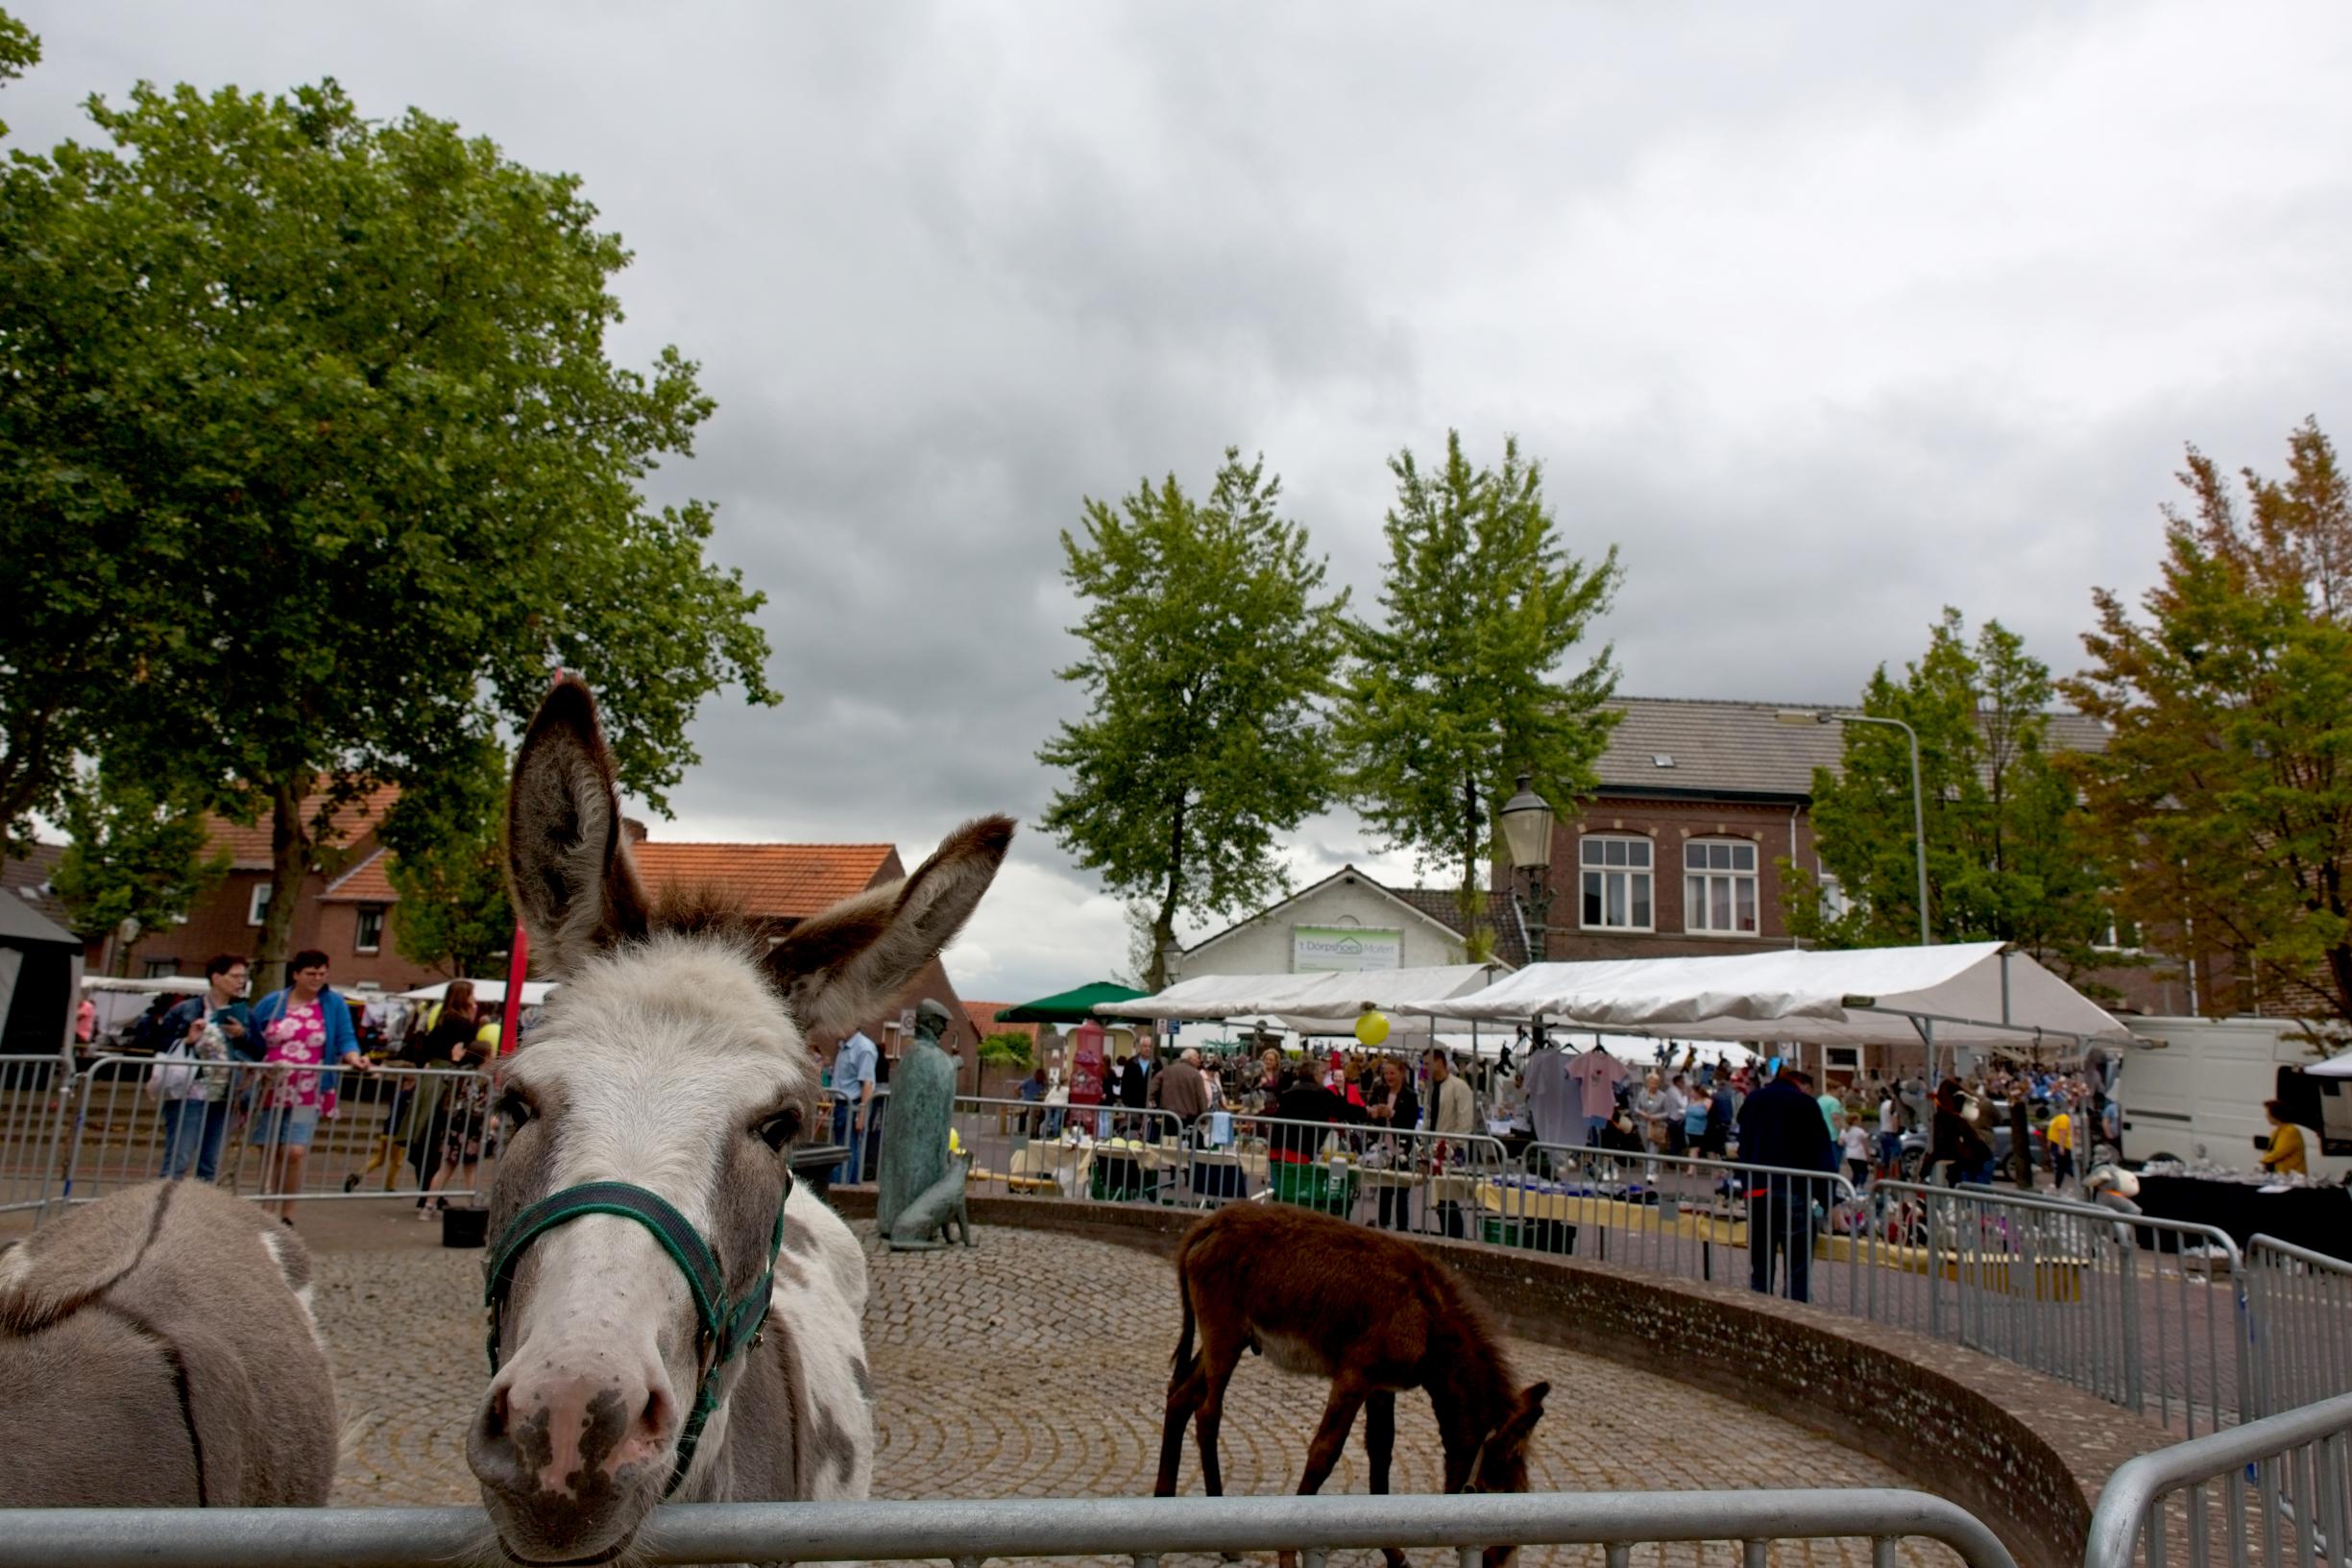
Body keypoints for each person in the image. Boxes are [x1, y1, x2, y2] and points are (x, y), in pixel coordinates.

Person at [246, 951, 370, 1225]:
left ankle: (287, 1212)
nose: (317, 979)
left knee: (295, 1151)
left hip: (308, 1090)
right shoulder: (273, 1001)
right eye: (311, 974)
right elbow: (253, 1036)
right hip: (271, 1089)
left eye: (322, 974)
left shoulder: (333, 1003)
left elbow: (345, 1037)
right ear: (296, 974)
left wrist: (353, 1057)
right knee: (270, 1149)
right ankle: (266, 1209)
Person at [1734, 1062, 1837, 1302]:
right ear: (1803, 1084)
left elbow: (1743, 1142)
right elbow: (1820, 1152)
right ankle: (1794, 1313)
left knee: (1761, 1258)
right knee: (1798, 1263)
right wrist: (1828, 1198)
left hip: (1757, 1188)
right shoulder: (1804, 1103)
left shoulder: (1754, 1099)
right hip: (1793, 1188)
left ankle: (1759, 1309)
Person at [158, 954, 252, 1182]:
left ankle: (201, 1213)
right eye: (235, 976)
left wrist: (243, 1035)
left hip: (226, 1094)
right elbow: (158, 1041)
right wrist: (188, 1040)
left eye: (244, 977)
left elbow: (258, 1048)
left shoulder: (244, 1013)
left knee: (211, 1163)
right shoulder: (186, 1009)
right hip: (190, 1090)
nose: (241, 981)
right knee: (179, 1159)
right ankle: (164, 1209)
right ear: (216, 977)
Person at [831, 1025, 881, 1185]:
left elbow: (867, 1084)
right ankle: (849, 1186)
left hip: (850, 1106)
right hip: (842, 1105)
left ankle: (842, 1188)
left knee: (846, 1151)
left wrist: (861, 1114)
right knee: (848, 1149)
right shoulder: (844, 1047)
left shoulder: (863, 1048)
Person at [1926, 1078, 1995, 1187]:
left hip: (1975, 1157)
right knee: (1979, 1190)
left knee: (1970, 1190)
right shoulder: (1979, 1103)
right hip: (1977, 1156)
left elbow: (1941, 1148)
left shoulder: (1953, 1118)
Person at [1565, 1046, 1627, 1146]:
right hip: (1593, 1106)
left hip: (1600, 1106)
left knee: (1598, 1136)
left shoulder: (1610, 1061)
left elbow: (1568, 1071)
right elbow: (1569, 1069)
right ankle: (1595, 1156)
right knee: (1595, 1135)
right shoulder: (1585, 1059)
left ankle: (1596, 1156)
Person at [1156, 1046, 1210, 1133]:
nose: (1199, 1060)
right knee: (1187, 1143)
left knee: (1170, 1142)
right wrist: (1204, 1117)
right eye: (1197, 1057)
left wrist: (1154, 1104)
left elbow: (1153, 1086)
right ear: (1190, 1058)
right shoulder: (1196, 1074)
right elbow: (1201, 1097)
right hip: (1189, 1116)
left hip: (1169, 1114)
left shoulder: (1167, 1070)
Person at [2259, 1100, 2309, 1176]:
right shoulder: (2276, 1132)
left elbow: (2279, 1152)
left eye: (2268, 1113)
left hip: (2292, 1179)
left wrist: (2263, 1161)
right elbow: (2270, 1151)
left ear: (2276, 1115)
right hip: (2278, 1176)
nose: (2266, 1116)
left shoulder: (2291, 1131)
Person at [2045, 1100, 2075, 1189]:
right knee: (2063, 1167)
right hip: (2062, 1145)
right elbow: (2060, 1133)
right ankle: (2057, 1185)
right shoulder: (2063, 1118)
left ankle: (2058, 1185)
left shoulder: (2059, 1119)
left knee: (2064, 1167)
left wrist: (2059, 1147)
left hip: (2061, 1145)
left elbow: (2061, 1133)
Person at [1016, 1064, 1051, 1138]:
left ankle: (1035, 1132)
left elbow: (1046, 1091)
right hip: (1027, 1101)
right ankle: (1021, 1131)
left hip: (1037, 1102)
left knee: (1040, 1116)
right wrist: (1021, 1097)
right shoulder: (1029, 1081)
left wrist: (1045, 1083)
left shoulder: (1042, 1083)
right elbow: (1017, 1088)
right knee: (1023, 1114)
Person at [1839, 1115, 1872, 1188]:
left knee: (1855, 1172)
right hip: (1860, 1155)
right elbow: (1865, 1145)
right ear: (1855, 1121)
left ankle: (1852, 1187)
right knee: (1864, 1172)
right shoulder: (1860, 1131)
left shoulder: (1844, 1130)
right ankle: (1860, 1186)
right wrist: (1868, 1156)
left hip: (1850, 1154)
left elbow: (1840, 1143)